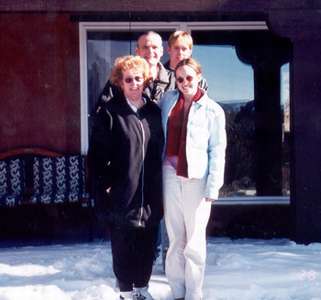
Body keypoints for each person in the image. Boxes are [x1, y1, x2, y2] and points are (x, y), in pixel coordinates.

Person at [90, 55, 164, 300]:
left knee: (146, 244)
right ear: (120, 83)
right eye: (129, 79)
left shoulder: (153, 112)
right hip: (123, 193)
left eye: (138, 79)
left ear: (145, 81)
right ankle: (125, 292)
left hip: (150, 194)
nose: (134, 84)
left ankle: (142, 290)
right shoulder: (110, 114)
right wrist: (106, 187)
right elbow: (96, 158)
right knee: (123, 246)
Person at [159, 58, 226, 300]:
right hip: (169, 175)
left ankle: (193, 294)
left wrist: (213, 187)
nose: (185, 82)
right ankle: (177, 292)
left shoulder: (213, 110)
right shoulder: (167, 101)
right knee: (175, 238)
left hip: (196, 178)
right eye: (179, 78)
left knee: (195, 241)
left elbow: (217, 150)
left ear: (199, 77)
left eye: (189, 77)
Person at [97, 31, 175, 109]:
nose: (150, 51)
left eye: (154, 47)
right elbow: (102, 111)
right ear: (137, 51)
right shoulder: (121, 77)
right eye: (145, 47)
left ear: (161, 51)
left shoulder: (174, 79)